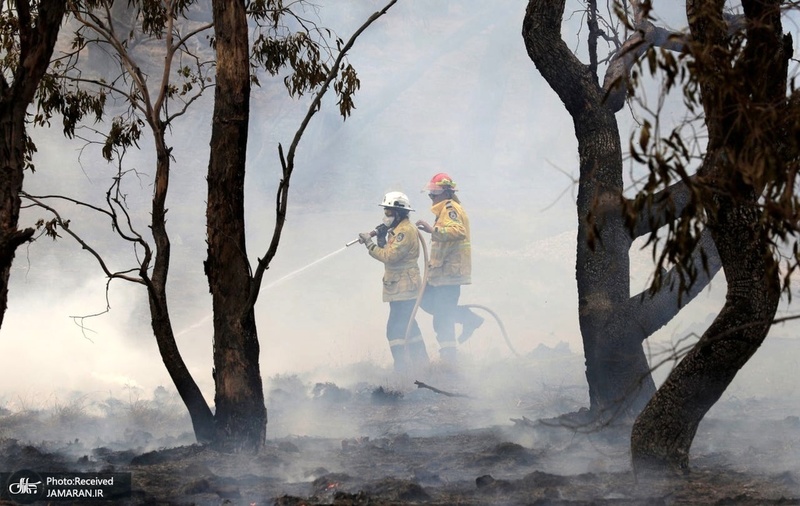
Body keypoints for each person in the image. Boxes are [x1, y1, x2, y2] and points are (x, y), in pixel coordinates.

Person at [415, 173, 483, 364]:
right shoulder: (444, 209)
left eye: (434, 193)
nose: (431, 197)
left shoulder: (450, 208)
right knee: (426, 302)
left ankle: (449, 360)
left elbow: (457, 231)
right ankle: (467, 318)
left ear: (445, 192)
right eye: (430, 194)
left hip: (450, 273)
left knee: (442, 319)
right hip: (440, 273)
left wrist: (432, 230)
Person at [359, 191, 429, 373]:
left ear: (398, 213)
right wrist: (381, 237)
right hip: (400, 285)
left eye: (389, 212)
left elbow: (390, 256)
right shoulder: (398, 230)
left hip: (404, 285)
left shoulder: (404, 231)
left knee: (394, 329)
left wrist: (369, 244)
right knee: (409, 326)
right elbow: (389, 250)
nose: (386, 216)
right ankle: (422, 365)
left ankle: (402, 368)